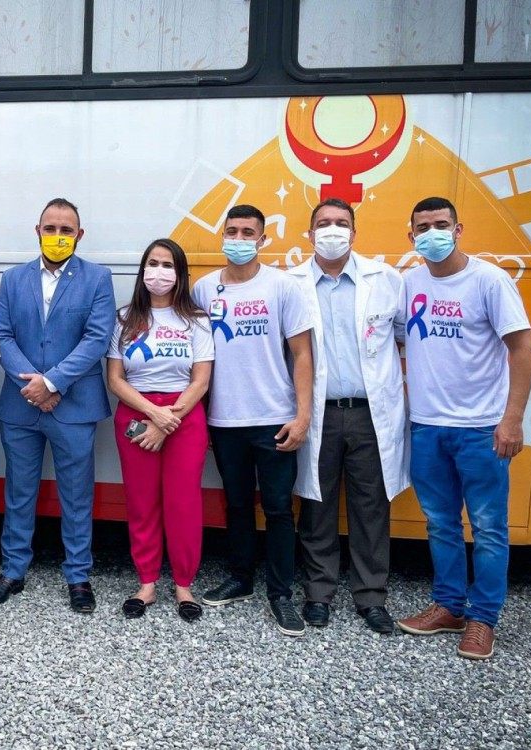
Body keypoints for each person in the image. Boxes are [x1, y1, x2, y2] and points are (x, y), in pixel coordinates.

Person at [395, 197, 531, 660]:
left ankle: (483, 619)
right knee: (440, 524)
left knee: (490, 528)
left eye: (440, 225)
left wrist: (511, 418)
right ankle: (449, 606)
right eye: (422, 227)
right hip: (428, 427)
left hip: (480, 429)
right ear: (410, 235)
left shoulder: (489, 281)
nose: (431, 233)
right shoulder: (408, 282)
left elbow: (521, 350)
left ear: (458, 229)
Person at [0, 198, 115, 614]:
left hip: (74, 404)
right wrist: (33, 385)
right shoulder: (13, 278)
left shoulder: (97, 278)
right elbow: (2, 335)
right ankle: (13, 570)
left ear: (80, 234)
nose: (58, 236)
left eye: (66, 230)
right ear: (37, 230)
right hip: (21, 405)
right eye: (50, 228)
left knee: (77, 495)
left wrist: (53, 382)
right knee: (19, 492)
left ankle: (78, 575)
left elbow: (97, 338)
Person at [286, 198, 409, 634]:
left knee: (370, 505)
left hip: (369, 414)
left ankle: (371, 597)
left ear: (354, 234)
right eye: (323, 224)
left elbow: (405, 339)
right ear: (310, 234)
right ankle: (318, 594)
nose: (332, 230)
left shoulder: (386, 280)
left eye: (341, 224)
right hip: (317, 413)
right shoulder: (292, 284)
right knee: (317, 505)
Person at [191, 204, 314, 637]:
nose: (239, 239)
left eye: (248, 233)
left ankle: (280, 594)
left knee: (279, 509)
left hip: (275, 418)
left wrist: (302, 417)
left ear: (263, 240)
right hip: (225, 420)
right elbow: (197, 360)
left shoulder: (283, 286)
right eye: (232, 231)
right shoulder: (204, 290)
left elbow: (302, 354)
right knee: (238, 504)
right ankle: (241, 577)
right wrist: (200, 418)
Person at [107, 238, 212, 622]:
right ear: (142, 270)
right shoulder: (123, 318)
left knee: (183, 502)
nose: (160, 272)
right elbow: (115, 379)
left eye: (168, 265)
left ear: (180, 274)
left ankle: (184, 585)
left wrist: (168, 422)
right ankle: (147, 583)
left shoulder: (196, 319)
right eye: (153, 263)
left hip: (184, 417)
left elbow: (201, 380)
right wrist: (154, 414)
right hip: (137, 416)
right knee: (141, 501)